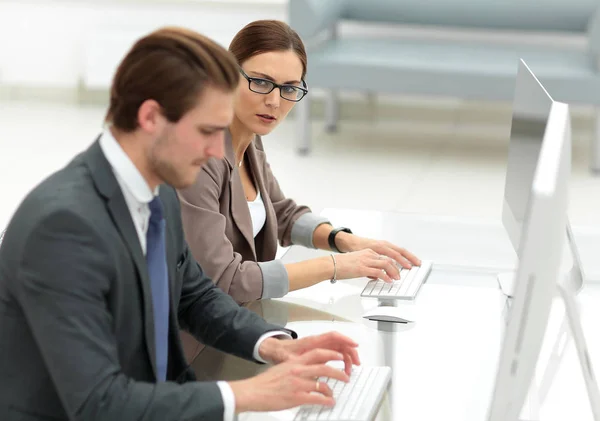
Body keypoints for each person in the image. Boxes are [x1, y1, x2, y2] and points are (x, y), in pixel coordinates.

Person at [0, 27, 361, 421]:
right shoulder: (63, 226)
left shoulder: (160, 192)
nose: (214, 152)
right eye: (207, 131)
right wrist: (244, 395)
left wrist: (273, 344)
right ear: (151, 117)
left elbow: (196, 297)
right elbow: (98, 402)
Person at [178, 20, 422, 305]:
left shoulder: (248, 136)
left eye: (290, 88)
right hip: (188, 337)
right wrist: (333, 267)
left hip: (236, 316)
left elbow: (282, 214)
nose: (274, 101)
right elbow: (225, 279)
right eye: (260, 82)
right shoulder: (197, 157)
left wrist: (345, 241)